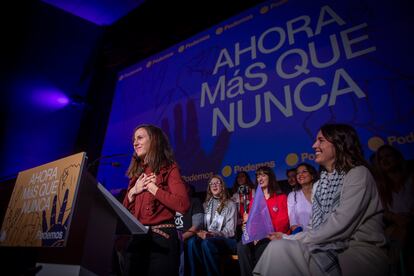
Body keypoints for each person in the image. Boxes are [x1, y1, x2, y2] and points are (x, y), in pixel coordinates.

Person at [253, 123, 388, 276]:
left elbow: (339, 227)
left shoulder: (358, 174)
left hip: (357, 250)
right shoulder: (321, 184)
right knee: (277, 247)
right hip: (322, 245)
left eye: (321, 140)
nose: (314, 145)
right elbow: (313, 228)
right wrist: (285, 238)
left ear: (339, 143)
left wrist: (288, 237)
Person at [122, 124, 190, 276]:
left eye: (140, 138)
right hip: (137, 240)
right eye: (133, 139)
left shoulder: (169, 168)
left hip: (162, 239)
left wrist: (153, 188)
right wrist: (133, 191)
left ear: (153, 141)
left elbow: (183, 204)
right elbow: (125, 213)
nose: (135, 142)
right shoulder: (136, 175)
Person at [237, 166, 290, 276]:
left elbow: (283, 222)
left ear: (270, 177)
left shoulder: (281, 197)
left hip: (273, 236)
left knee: (262, 245)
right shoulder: (253, 201)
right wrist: (247, 227)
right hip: (257, 237)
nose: (260, 178)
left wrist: (263, 234)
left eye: (263, 175)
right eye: (257, 176)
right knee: (241, 246)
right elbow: (252, 225)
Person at [374, 144, 414, 274]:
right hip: (393, 225)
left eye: (388, 156)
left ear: (397, 157)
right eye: (381, 158)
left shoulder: (411, 178)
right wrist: (396, 218)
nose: (385, 160)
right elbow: (381, 211)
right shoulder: (379, 186)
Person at [187, 175, 237, 276]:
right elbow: (202, 226)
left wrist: (213, 234)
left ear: (222, 186)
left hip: (227, 240)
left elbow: (231, 231)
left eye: (217, 183)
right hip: (209, 238)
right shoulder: (205, 205)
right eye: (212, 184)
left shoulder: (230, 204)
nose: (214, 185)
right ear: (209, 188)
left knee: (207, 243)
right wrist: (201, 232)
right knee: (192, 242)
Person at [175, 184, 204, 276]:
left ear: (188, 189)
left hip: (188, 236)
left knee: (181, 244)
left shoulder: (194, 201)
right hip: (174, 235)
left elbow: (197, 225)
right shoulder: (173, 203)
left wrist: (182, 237)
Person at [288, 162, 318, 233]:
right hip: (304, 238)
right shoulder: (292, 195)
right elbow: (293, 222)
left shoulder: (320, 190)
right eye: (298, 173)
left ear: (312, 175)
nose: (300, 175)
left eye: (304, 171)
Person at [231, 171, 255, 240]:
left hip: (252, 223)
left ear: (247, 178)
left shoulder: (254, 192)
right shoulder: (235, 196)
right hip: (240, 226)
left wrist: (246, 202)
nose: (240, 178)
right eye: (238, 177)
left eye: (242, 176)